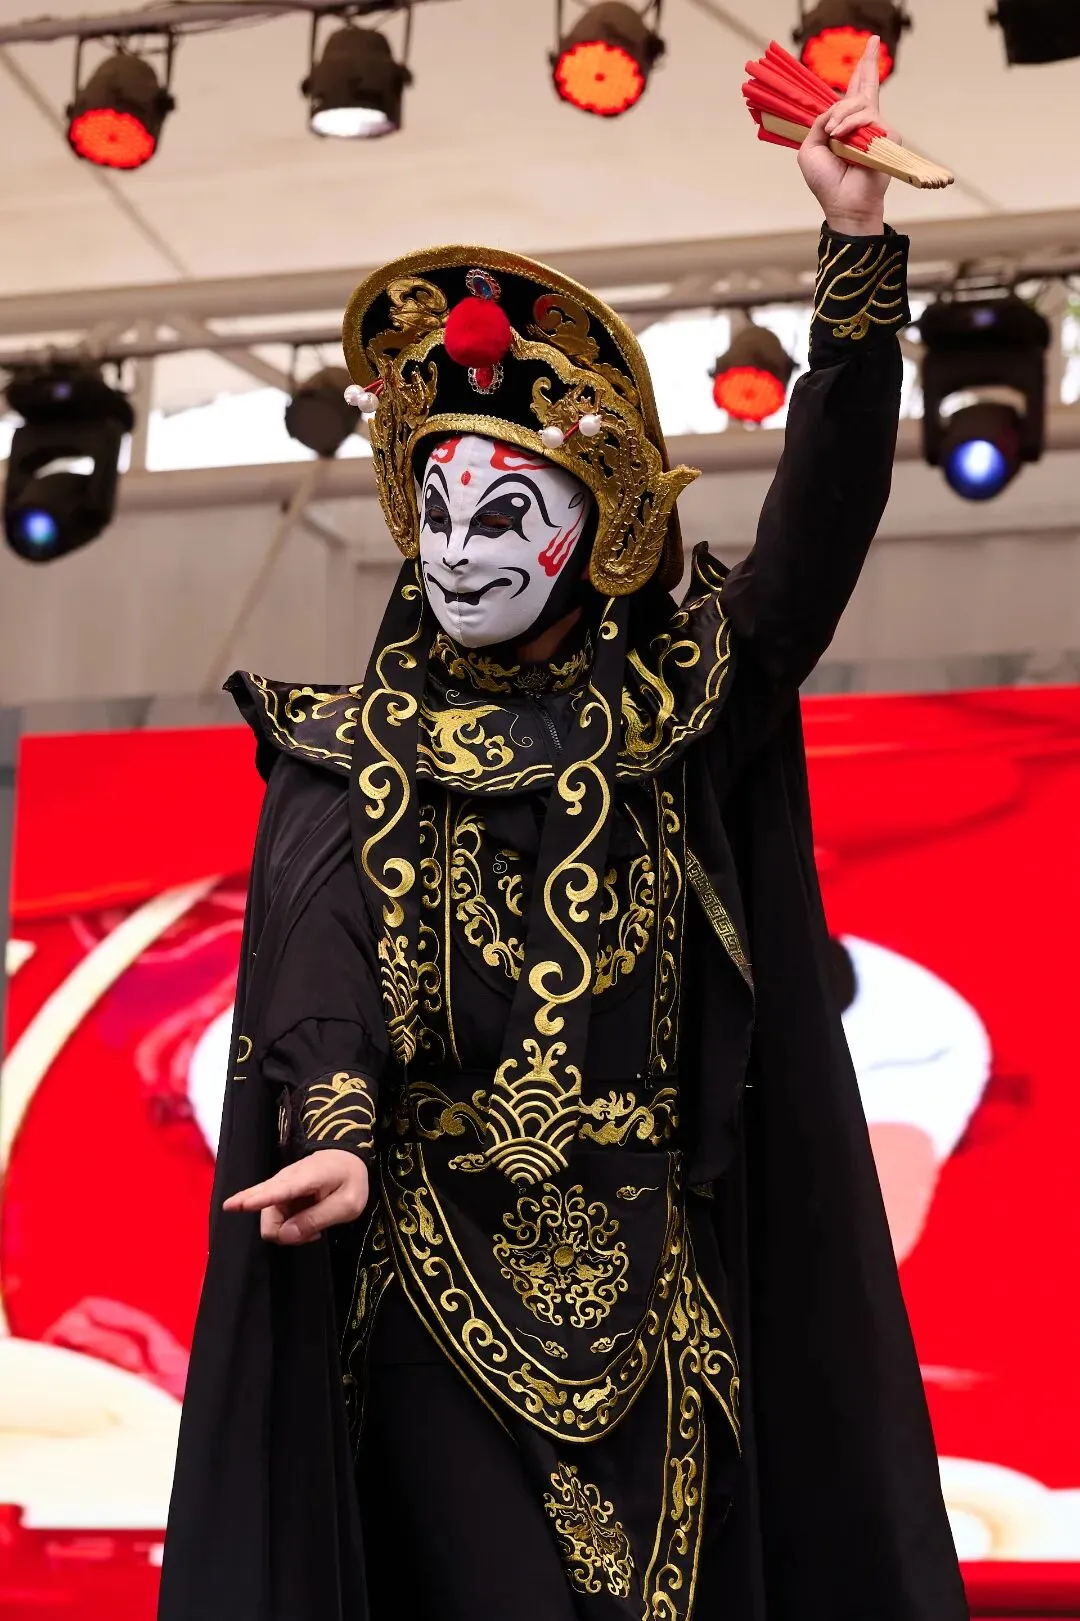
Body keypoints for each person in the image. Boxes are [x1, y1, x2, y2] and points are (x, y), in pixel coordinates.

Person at [159, 38, 968, 1621]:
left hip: (661, 1307)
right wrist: (333, 1134)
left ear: (597, 528)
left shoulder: (679, 709)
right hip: (432, 1287)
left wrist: (858, 252)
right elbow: (321, 966)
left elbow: (813, 547)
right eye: (437, 514)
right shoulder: (348, 747)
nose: (462, 553)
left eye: (505, 516)